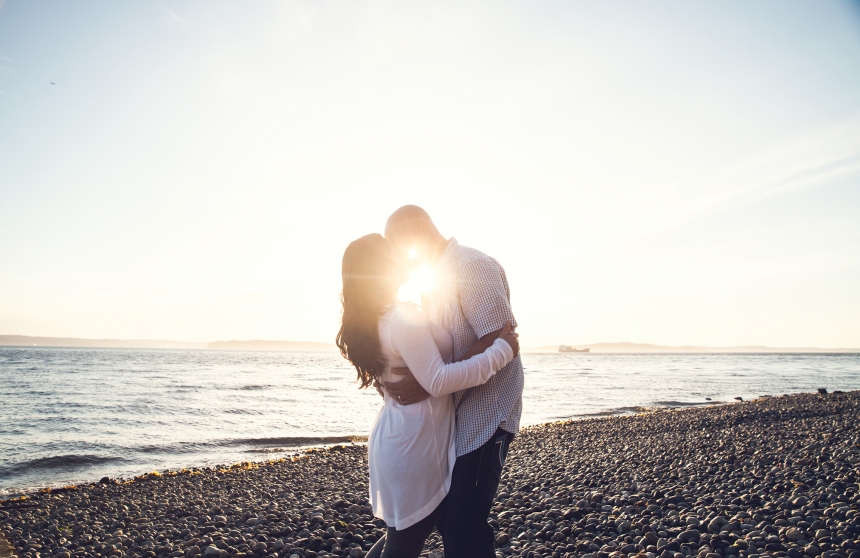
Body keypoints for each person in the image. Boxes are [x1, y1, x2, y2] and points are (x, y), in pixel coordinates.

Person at [336, 233, 520, 558]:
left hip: (396, 438)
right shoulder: (399, 319)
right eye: (390, 250)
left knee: (404, 535)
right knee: (404, 542)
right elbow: (437, 380)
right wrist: (501, 351)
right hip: (415, 447)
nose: (399, 252)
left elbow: (415, 375)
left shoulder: (372, 321)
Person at [384, 205, 524, 558]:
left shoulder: (471, 267)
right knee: (452, 523)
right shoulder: (433, 279)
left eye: (396, 248)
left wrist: (428, 382)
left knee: (463, 528)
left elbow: (501, 338)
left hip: (486, 416)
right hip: (459, 418)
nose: (397, 260)